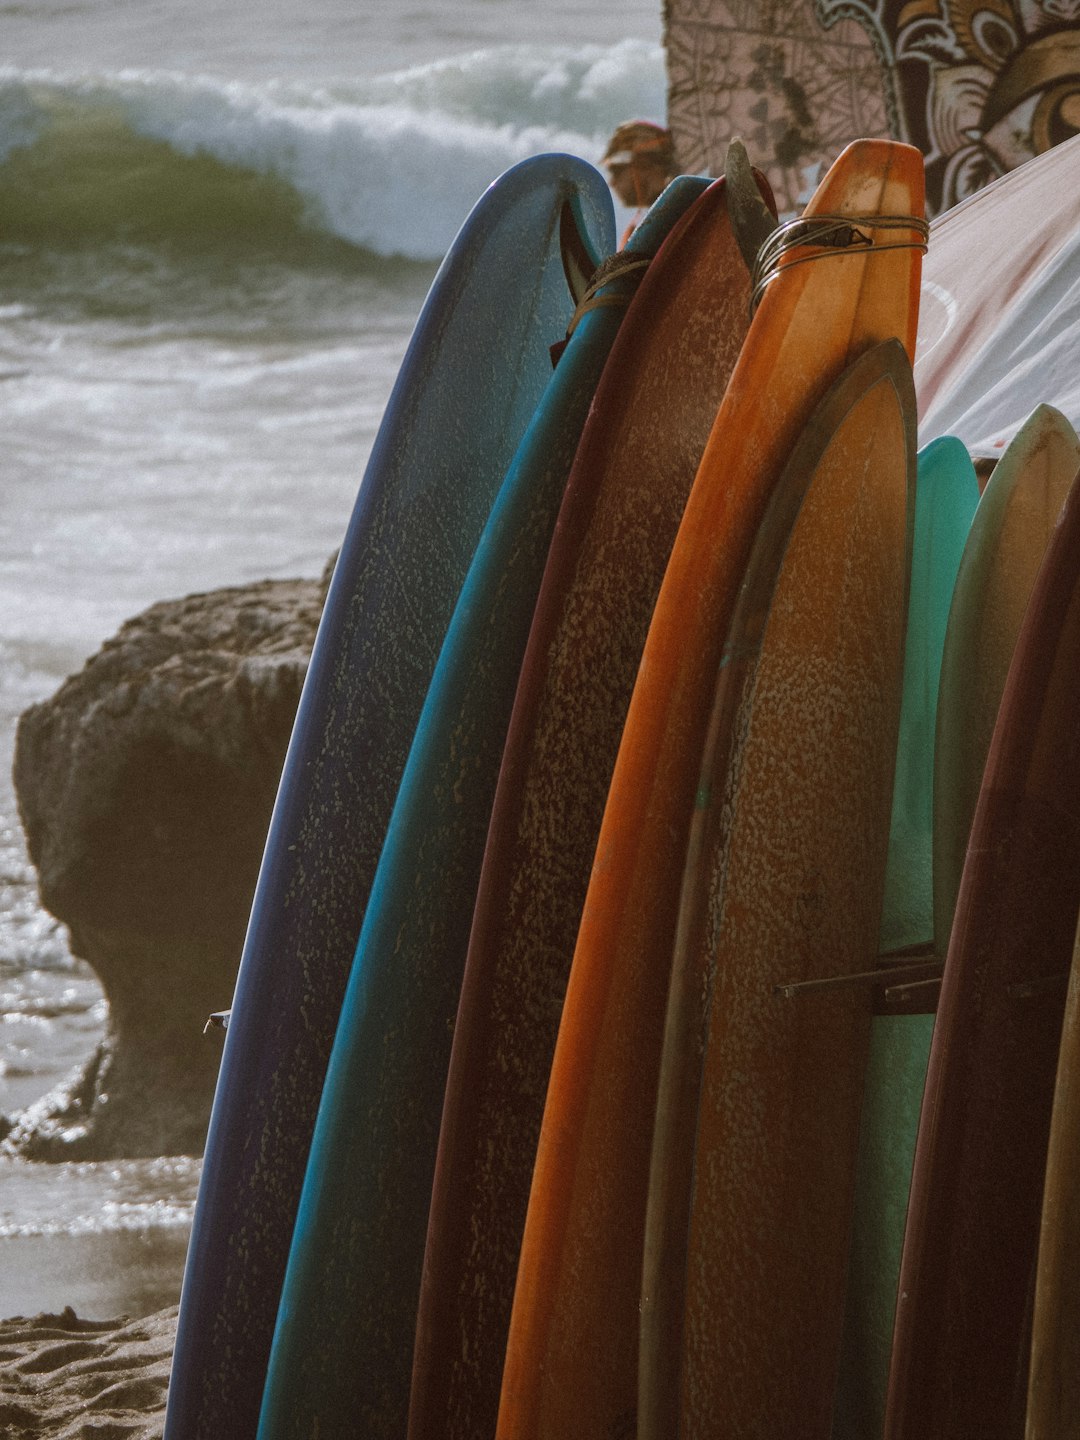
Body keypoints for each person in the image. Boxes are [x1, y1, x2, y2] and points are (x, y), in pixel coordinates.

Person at [602, 120, 677, 246]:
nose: (612, 182)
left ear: (643, 164)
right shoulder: (682, 213)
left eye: (616, 171)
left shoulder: (660, 229)